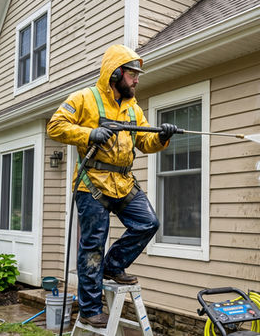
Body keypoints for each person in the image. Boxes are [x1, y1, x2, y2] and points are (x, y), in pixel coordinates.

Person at [47, 44, 177, 328]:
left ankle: (113, 266)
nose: (137, 80)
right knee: (92, 245)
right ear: (116, 73)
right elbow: (55, 126)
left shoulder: (133, 108)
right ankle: (91, 310)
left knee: (148, 223)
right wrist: (88, 133)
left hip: (123, 181)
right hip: (91, 182)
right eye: (132, 74)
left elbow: (145, 143)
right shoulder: (85, 98)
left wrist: (163, 137)